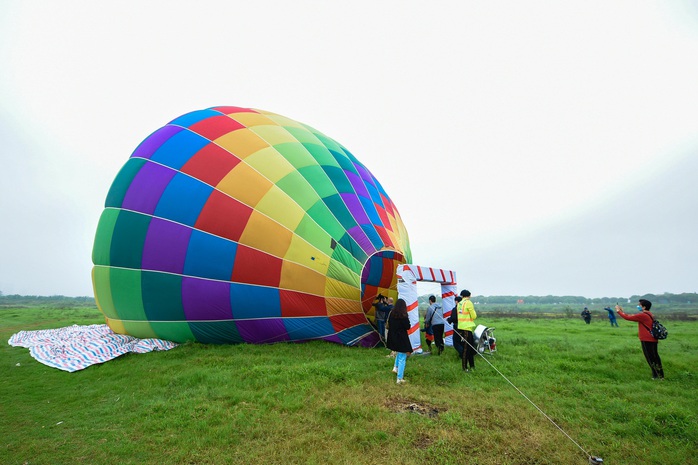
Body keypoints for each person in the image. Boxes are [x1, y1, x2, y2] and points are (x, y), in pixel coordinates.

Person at [616, 300, 664, 380]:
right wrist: (622, 311)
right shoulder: (649, 314)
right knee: (655, 356)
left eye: (639, 305)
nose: (638, 306)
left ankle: (657, 376)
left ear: (644, 307)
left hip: (646, 339)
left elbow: (628, 317)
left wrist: (618, 311)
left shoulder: (643, 315)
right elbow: (632, 317)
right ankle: (660, 374)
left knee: (650, 358)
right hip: (652, 339)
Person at [450, 290, 477, 371]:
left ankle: (472, 366)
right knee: (467, 349)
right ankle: (465, 368)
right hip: (467, 328)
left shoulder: (459, 304)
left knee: (468, 348)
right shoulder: (468, 303)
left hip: (460, 328)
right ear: (469, 295)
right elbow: (474, 316)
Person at [386, 298, 412, 384]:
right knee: (402, 357)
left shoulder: (392, 313)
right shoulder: (403, 315)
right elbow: (407, 326)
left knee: (399, 353)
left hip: (393, 337)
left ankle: (395, 367)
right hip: (401, 338)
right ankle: (399, 378)